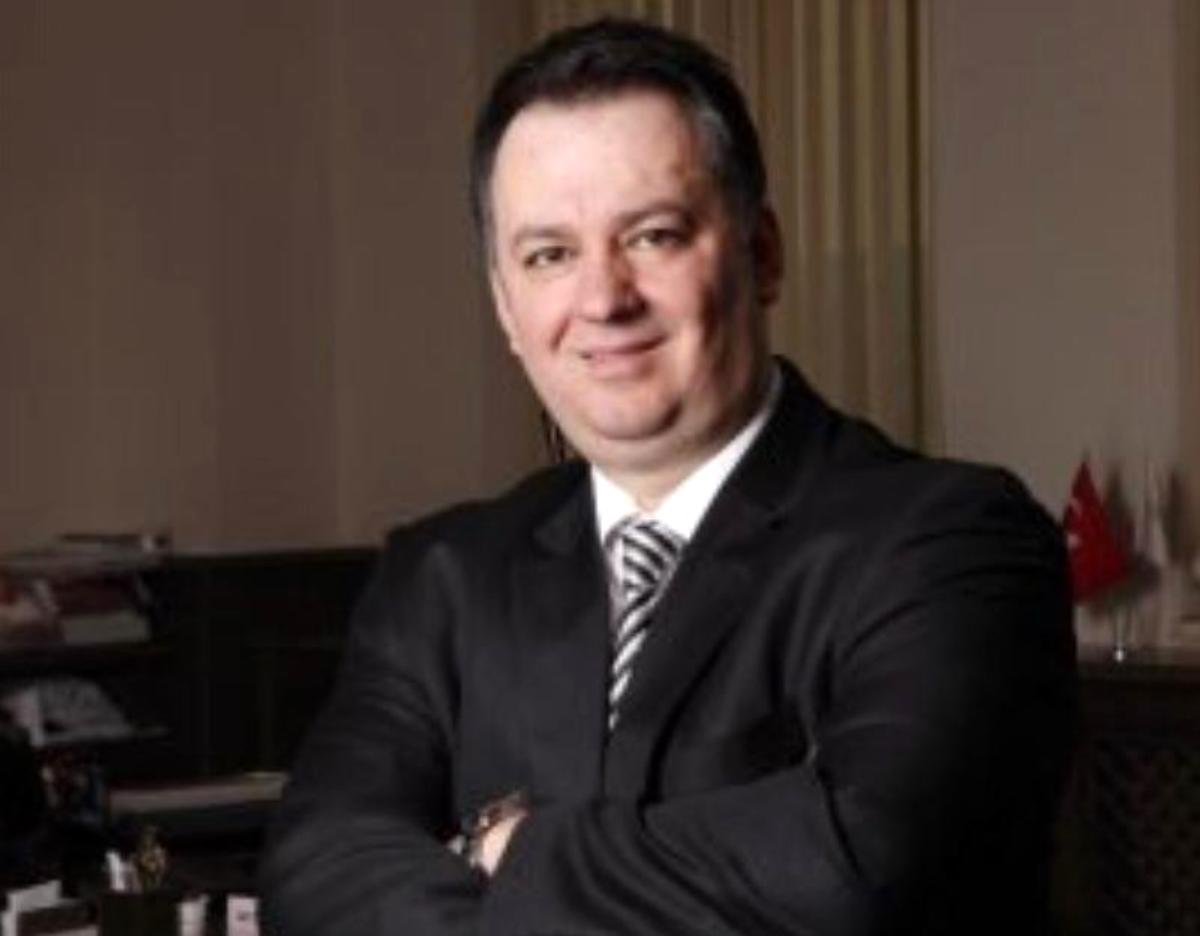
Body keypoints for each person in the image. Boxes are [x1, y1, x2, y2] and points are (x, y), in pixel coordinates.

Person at [260, 18, 1076, 936]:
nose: (603, 299)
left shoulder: (951, 543)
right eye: (549, 255)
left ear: (762, 254)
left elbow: (862, 864)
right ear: (505, 307)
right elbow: (316, 871)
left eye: (652, 236)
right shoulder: (442, 576)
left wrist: (506, 850)